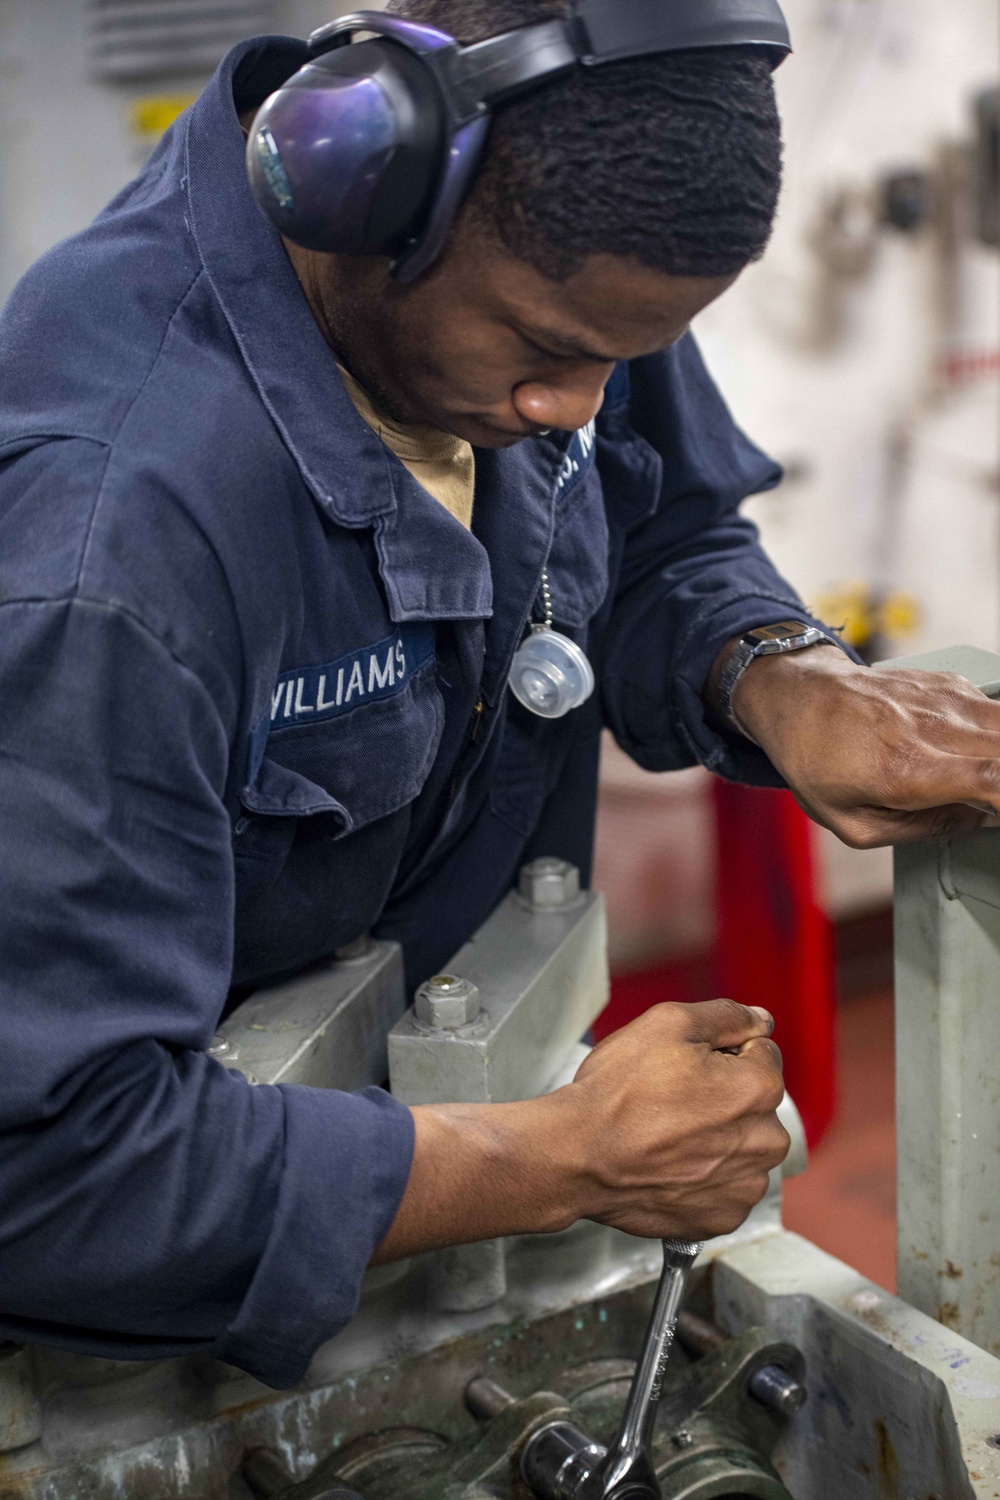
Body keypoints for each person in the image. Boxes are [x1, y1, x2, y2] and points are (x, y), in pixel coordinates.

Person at [0, 0, 998, 1391]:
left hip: (447, 1193)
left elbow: (665, 529)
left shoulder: (554, 276)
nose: (577, 405)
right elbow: (52, 1175)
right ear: (366, 182)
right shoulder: (112, 550)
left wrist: (775, 670)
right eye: (543, 347)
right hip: (143, 1337)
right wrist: (567, 1156)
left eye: (622, 353)